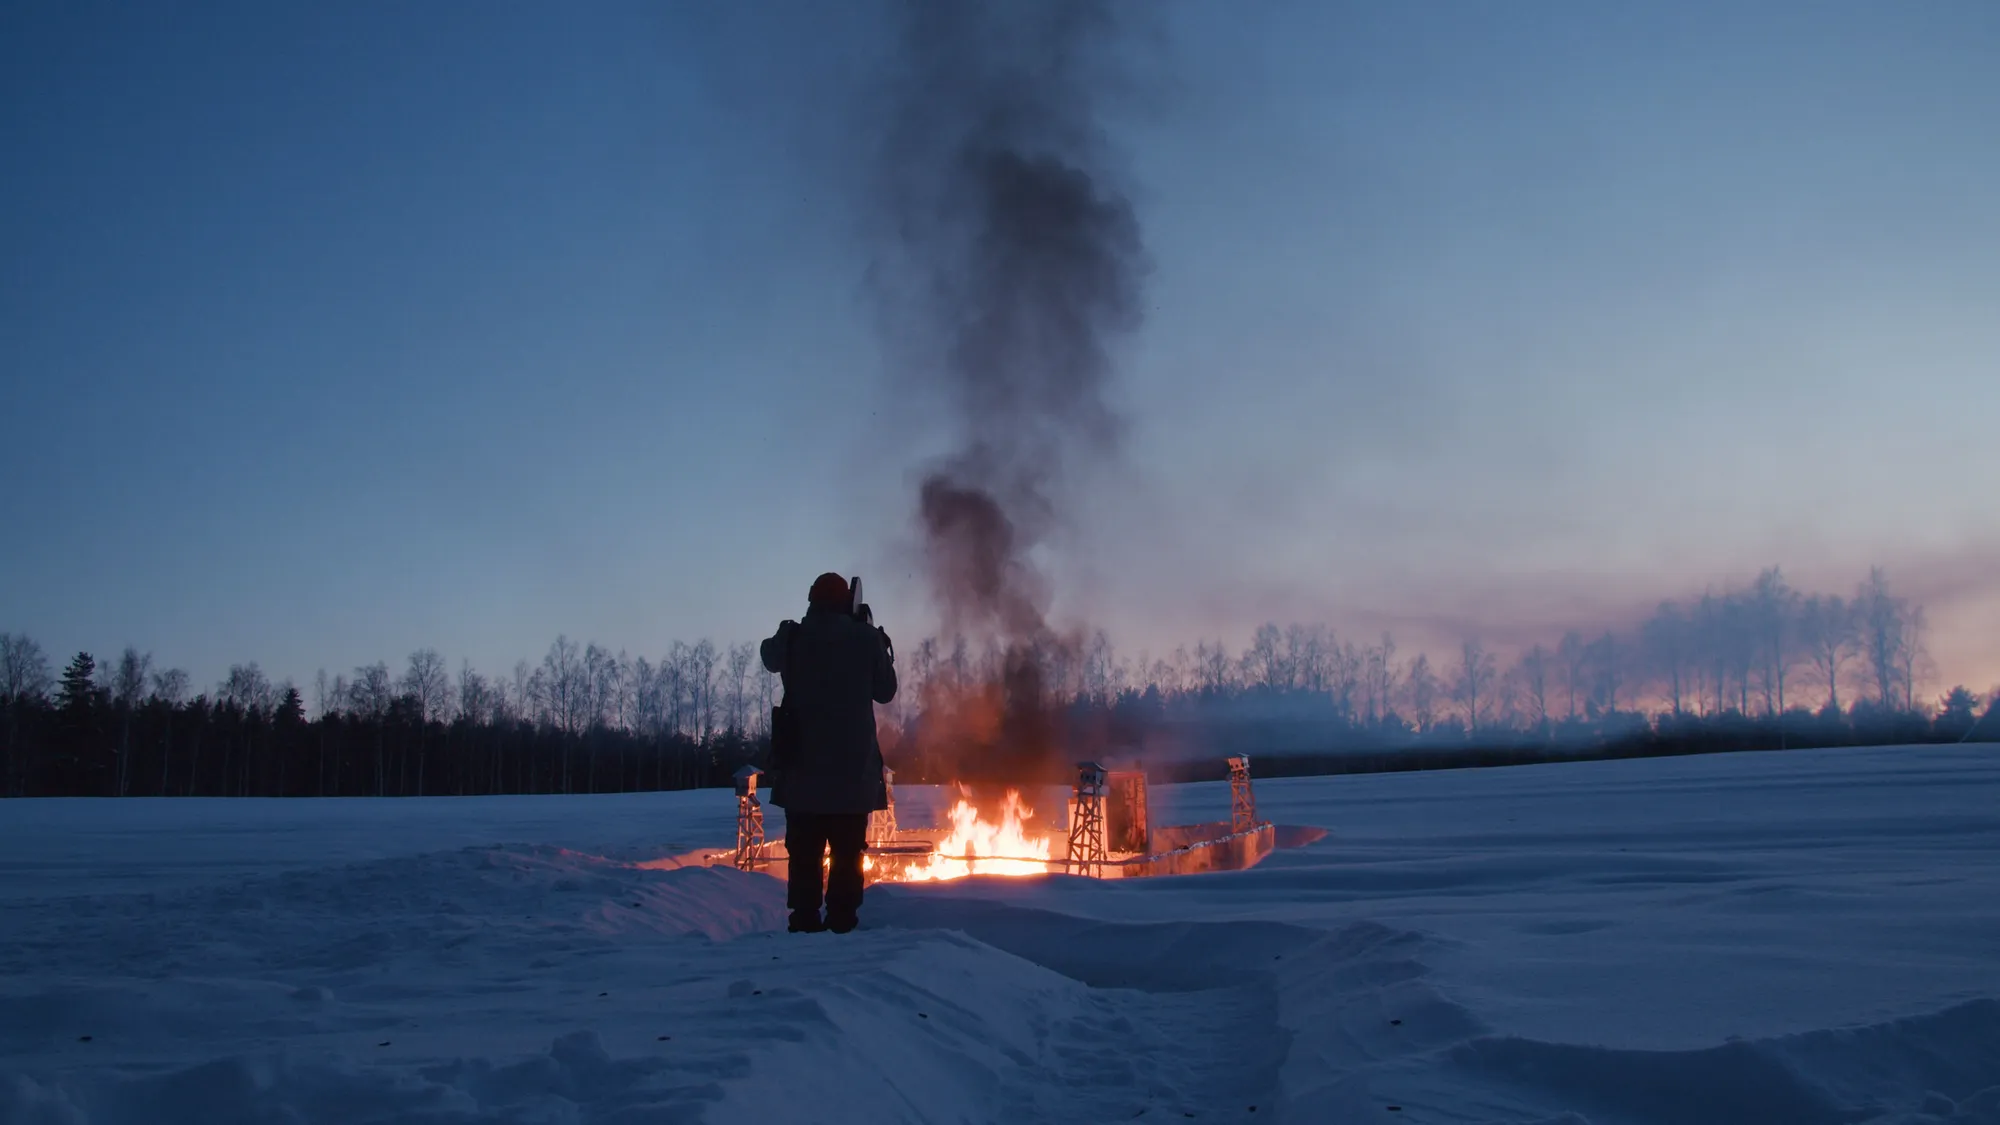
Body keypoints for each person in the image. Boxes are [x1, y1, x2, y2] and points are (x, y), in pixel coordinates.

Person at [760, 572, 897, 934]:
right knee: (847, 856)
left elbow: (768, 656)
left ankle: (803, 924)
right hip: (851, 778)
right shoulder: (865, 639)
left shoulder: (794, 637)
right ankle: (842, 926)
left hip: (801, 773)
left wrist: (788, 631)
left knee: (804, 857)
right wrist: (875, 640)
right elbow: (886, 691)